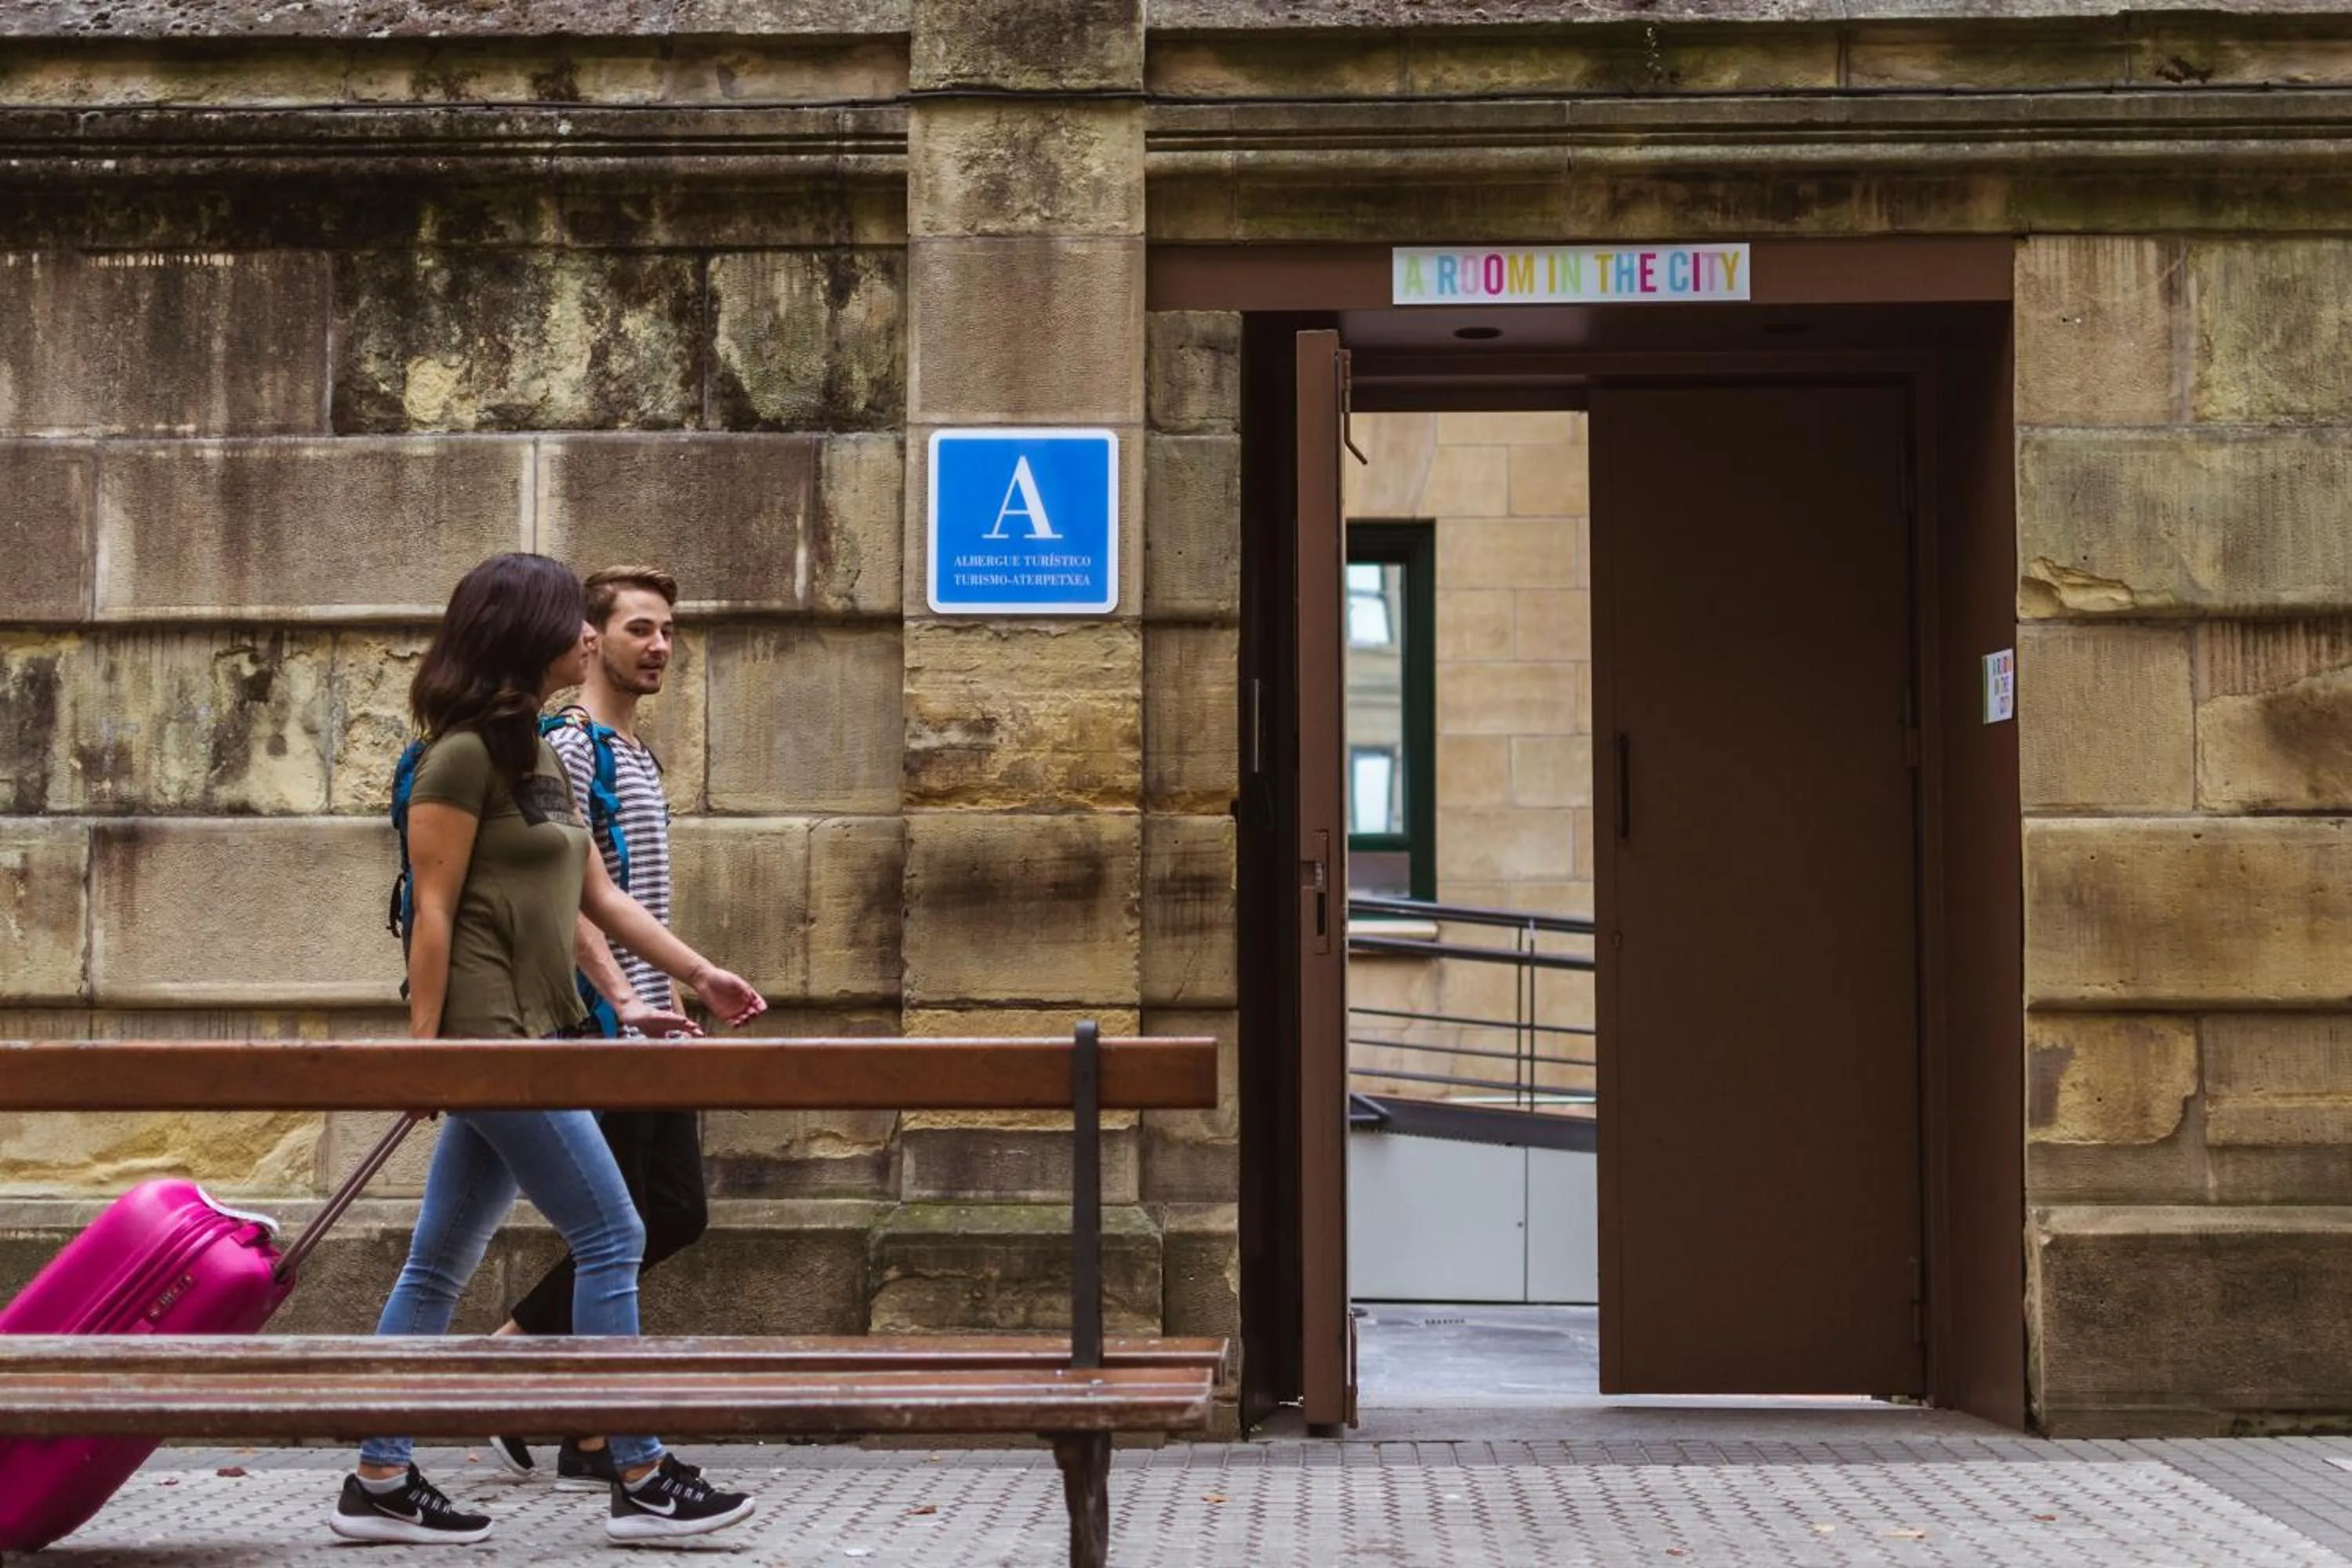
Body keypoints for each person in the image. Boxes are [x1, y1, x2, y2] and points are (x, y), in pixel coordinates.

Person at [329, 553, 766, 1548]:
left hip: (540, 1030)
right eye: (573, 620)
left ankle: (380, 1473)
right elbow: (430, 914)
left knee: (440, 1262)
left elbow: (597, 898)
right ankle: (640, 1467)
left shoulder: (539, 755)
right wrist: (425, 1054)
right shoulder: (457, 759)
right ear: (523, 632)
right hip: (487, 1041)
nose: (586, 634)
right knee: (616, 1232)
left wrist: (692, 980)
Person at [486, 565, 710, 1494]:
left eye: (666, 631)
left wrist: (683, 981)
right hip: (603, 1018)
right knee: (624, 1221)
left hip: (650, 1014)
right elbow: (568, 894)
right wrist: (619, 999)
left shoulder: (635, 751)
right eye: (639, 629)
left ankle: (539, 1374)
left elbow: (627, 892)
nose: (658, 646)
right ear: (591, 636)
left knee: (673, 1212)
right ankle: (575, 1413)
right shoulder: (570, 747)